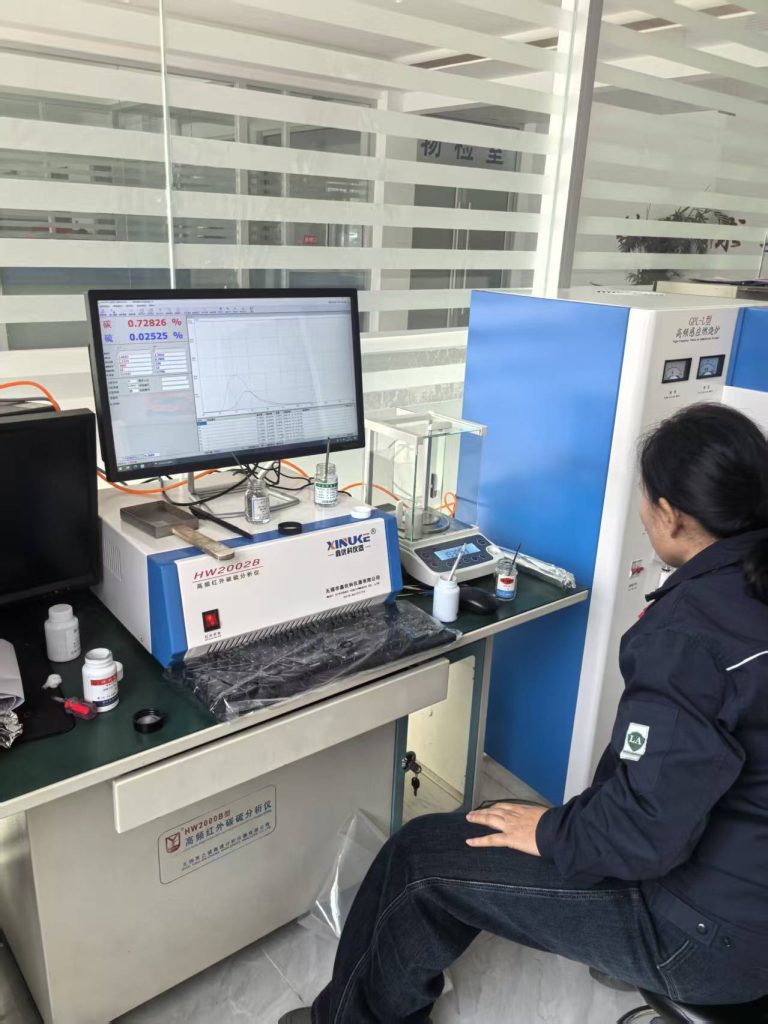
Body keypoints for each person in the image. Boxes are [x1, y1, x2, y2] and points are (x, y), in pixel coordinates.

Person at [280, 403, 768, 1023]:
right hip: (741, 896)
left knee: (421, 857)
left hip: (705, 938)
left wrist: (551, 832)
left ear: (670, 514)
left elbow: (645, 833)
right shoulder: (743, 594)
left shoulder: (689, 639)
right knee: (503, 823)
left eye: (645, 500)